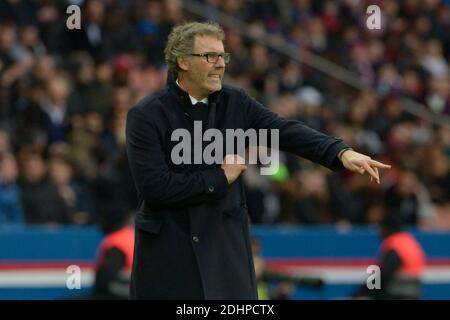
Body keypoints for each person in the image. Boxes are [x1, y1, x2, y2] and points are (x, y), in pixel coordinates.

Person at [125, 21, 391, 300]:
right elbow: (155, 187)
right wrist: (219, 177)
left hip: (225, 254)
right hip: (169, 258)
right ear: (183, 62)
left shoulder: (235, 102)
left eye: (222, 56)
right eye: (210, 56)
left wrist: (339, 152)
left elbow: (283, 130)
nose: (219, 64)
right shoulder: (146, 115)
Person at [352, 211, 426, 300]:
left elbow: (385, 273)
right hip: (414, 291)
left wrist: (360, 292)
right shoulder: (409, 241)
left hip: (398, 291)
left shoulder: (395, 244)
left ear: (386, 228)